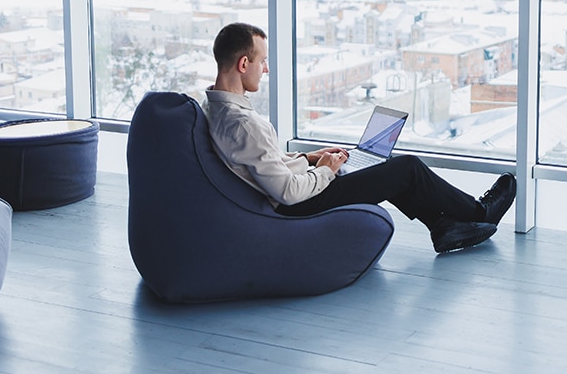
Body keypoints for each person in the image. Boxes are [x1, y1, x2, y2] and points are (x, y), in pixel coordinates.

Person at [203, 22, 517, 253]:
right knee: (406, 167)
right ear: (244, 64)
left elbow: (260, 163)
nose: (266, 69)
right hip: (299, 204)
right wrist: (326, 170)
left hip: (297, 188)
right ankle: (479, 213)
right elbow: (287, 191)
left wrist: (310, 158)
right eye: (262, 61)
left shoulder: (214, 108)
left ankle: (443, 226)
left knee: (383, 167)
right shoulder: (242, 123)